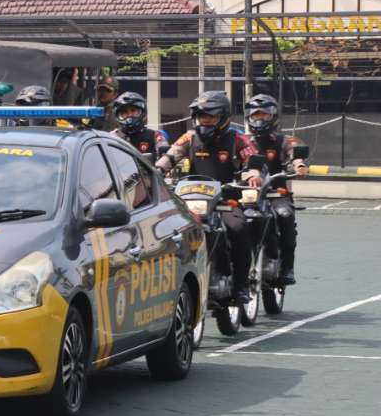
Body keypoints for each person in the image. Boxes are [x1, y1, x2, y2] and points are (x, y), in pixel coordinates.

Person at [156, 91, 261, 304]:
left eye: (210, 116)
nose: (205, 120)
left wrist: (253, 173)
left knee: (238, 229)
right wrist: (156, 172)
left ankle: (240, 285)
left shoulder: (237, 138)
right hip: (192, 200)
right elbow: (170, 156)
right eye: (201, 116)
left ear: (223, 118)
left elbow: (251, 159)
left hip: (226, 199)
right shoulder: (190, 137)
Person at [244, 93, 308, 285]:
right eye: (255, 115)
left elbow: (296, 155)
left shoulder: (286, 141)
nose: (259, 119)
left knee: (285, 217)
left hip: (276, 193)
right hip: (248, 193)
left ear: (273, 116)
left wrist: (299, 166)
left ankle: (287, 268)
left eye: (264, 115)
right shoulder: (242, 140)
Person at [110, 92, 167, 156]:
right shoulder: (112, 137)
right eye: (124, 112)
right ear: (119, 115)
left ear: (142, 112)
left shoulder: (155, 136)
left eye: (133, 110)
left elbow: (165, 159)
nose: (129, 115)